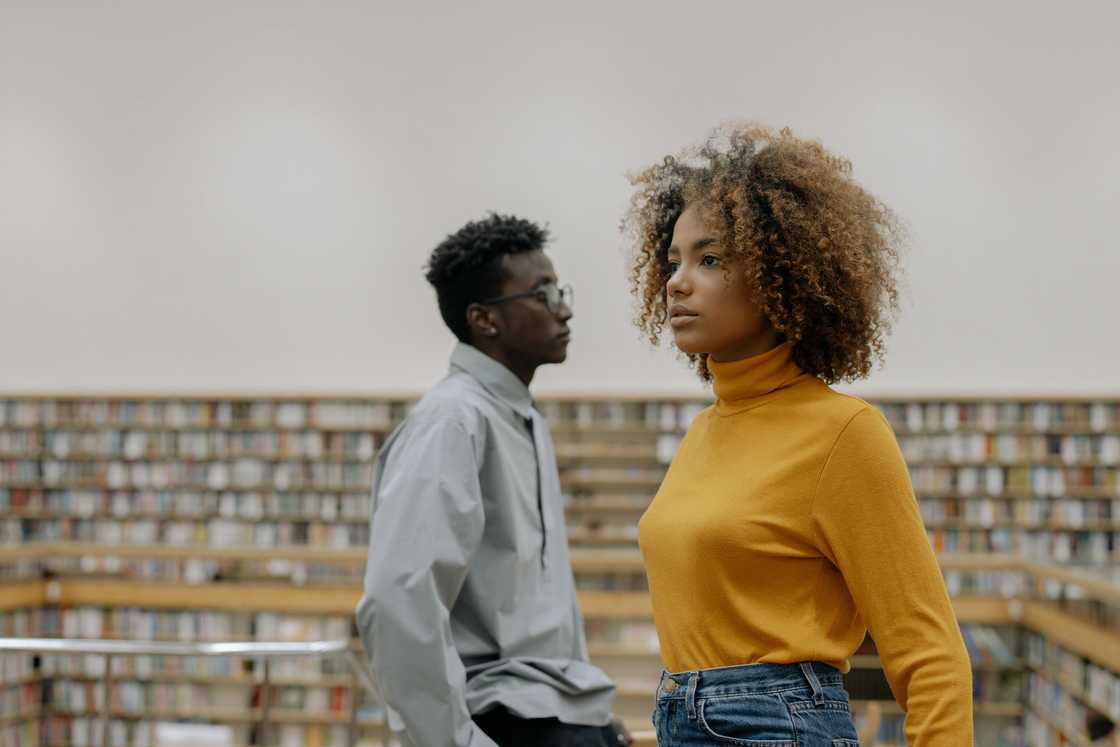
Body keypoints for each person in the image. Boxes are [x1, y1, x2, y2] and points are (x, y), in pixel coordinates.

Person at [624, 124, 973, 745]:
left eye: (710, 259)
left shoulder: (844, 433)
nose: (677, 282)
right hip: (680, 714)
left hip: (779, 723)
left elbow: (929, 652)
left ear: (779, 273)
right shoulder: (704, 431)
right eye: (673, 260)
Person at [356, 213, 625, 747]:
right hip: (499, 720)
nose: (564, 308)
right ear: (485, 319)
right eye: (542, 293)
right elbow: (399, 600)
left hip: (556, 709)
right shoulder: (454, 422)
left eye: (559, 289)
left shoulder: (521, 416)